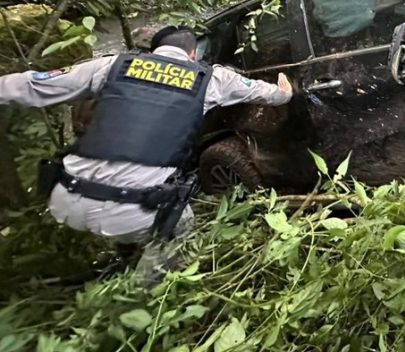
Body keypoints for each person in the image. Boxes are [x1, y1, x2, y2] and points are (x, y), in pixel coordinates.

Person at [0, 25, 293, 243]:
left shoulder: (112, 65)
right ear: (193, 53)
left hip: (65, 199)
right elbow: (268, 94)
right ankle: (150, 286)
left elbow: (33, 85)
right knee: (182, 229)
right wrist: (285, 91)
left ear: (153, 50)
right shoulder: (213, 78)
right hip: (134, 212)